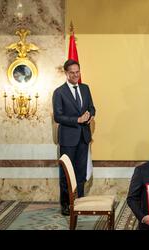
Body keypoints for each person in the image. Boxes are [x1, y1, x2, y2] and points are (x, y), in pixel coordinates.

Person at [53, 59, 95, 215]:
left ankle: (80, 203)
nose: (76, 75)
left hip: (84, 137)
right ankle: (65, 204)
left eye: (78, 72)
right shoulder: (59, 92)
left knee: (81, 172)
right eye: (72, 72)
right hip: (68, 139)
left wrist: (89, 114)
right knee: (66, 173)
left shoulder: (85, 88)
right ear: (66, 73)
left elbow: (92, 107)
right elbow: (58, 116)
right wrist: (77, 120)